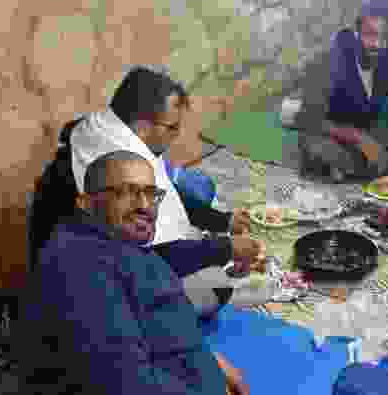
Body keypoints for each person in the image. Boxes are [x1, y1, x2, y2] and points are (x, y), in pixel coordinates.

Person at [28, 66, 259, 319]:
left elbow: (167, 192)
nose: (177, 135)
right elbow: (154, 259)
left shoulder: (109, 129)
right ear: (142, 125)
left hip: (91, 258)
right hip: (87, 291)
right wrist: (225, 248)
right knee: (214, 284)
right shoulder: (120, 170)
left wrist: (222, 221)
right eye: (172, 127)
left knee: (195, 187)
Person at [19, 151, 250, 395]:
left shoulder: (115, 244)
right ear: (85, 203)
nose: (143, 205)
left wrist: (207, 359)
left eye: (150, 194)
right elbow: (125, 383)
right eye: (124, 193)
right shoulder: (83, 268)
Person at [296, 8, 388, 182]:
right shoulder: (325, 64)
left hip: (360, 146)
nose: (377, 44)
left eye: (383, 37)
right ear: (355, 35)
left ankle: (363, 174)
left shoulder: (385, 64)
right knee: (319, 149)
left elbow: (377, 113)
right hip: (326, 143)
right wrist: (359, 138)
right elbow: (308, 120)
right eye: (370, 35)